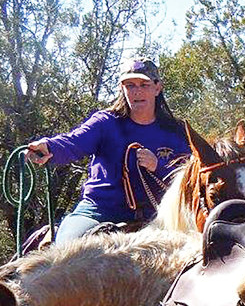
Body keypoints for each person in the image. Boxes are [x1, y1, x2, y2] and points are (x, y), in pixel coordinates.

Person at [27, 57, 191, 245]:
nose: (137, 91)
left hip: (158, 216)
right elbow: (74, 142)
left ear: (157, 88)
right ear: (122, 89)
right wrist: (48, 147)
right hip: (99, 210)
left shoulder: (176, 131)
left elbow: (189, 177)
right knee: (65, 250)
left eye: (144, 84)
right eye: (130, 85)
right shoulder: (106, 122)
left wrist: (157, 166)